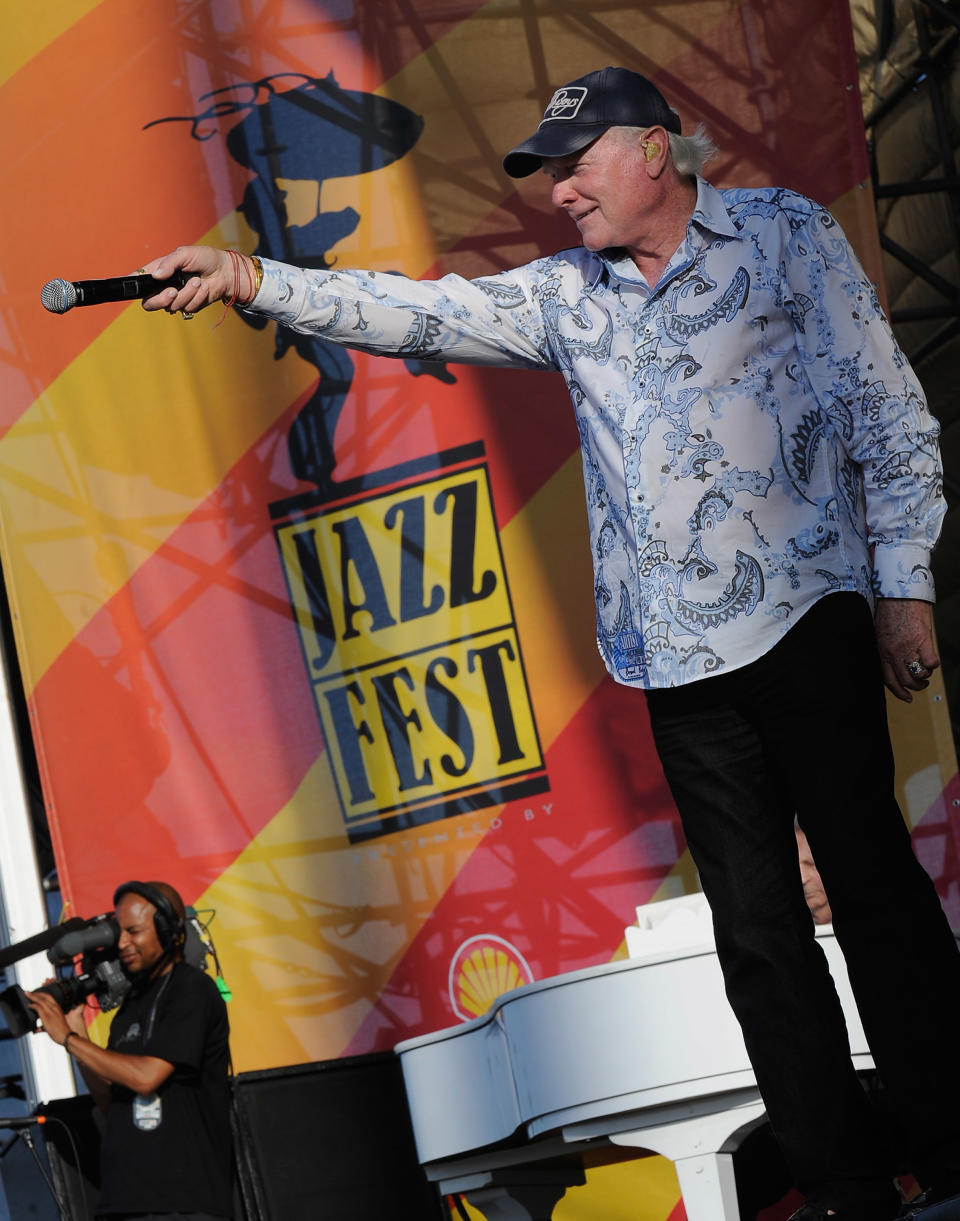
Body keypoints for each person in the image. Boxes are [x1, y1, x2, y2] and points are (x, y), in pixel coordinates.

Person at [138, 66, 960, 1220]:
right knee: (757, 930)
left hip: (808, 612)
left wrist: (903, 587)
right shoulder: (567, 298)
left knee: (869, 882)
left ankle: (953, 1134)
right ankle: (843, 1183)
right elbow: (417, 311)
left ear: (652, 154)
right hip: (675, 659)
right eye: (546, 173)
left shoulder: (784, 236)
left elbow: (886, 408)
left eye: (575, 166)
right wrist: (243, 276)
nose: (559, 192)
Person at [28, 881, 233, 1220]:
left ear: (168, 931)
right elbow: (112, 1101)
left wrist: (68, 1039)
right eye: (118, 932)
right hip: (124, 1204)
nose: (122, 943)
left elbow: (146, 1077)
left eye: (133, 931)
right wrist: (77, 1031)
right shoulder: (131, 1007)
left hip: (183, 1203)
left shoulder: (192, 990)